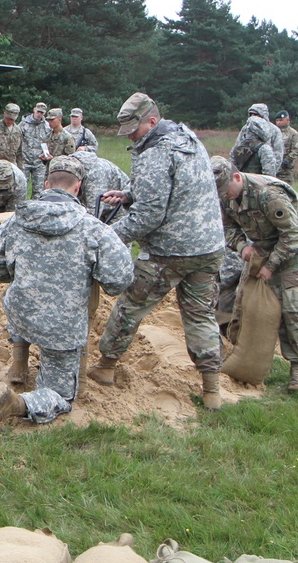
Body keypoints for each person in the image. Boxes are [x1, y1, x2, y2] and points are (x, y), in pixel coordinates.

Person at [0, 156, 133, 435]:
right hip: (62, 329)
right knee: (61, 395)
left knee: (24, 291)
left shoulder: (17, 220)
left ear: (46, 184)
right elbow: (119, 279)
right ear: (78, 187)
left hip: (21, 315)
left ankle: (18, 364)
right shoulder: (93, 229)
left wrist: (23, 273)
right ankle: (15, 403)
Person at [88, 92, 226, 410]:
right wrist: (128, 194)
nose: (131, 136)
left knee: (130, 306)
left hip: (169, 251)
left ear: (152, 121)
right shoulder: (188, 140)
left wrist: (108, 237)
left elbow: (149, 217)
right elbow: (172, 187)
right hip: (208, 247)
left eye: (134, 130)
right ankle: (212, 390)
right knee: (201, 315)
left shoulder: (155, 151)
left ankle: (106, 367)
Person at [211, 156, 298, 392]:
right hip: (264, 245)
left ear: (237, 177)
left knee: (293, 307)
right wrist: (243, 247)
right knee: (245, 301)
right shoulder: (225, 196)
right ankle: (239, 354)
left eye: (225, 189)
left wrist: (271, 266)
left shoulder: (269, 194)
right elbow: (227, 228)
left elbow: (293, 235)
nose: (223, 196)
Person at [72, 148, 130, 221]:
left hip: (119, 209)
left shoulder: (95, 173)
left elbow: (94, 213)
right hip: (98, 208)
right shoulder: (65, 168)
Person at [230, 103, 283, 177]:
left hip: (265, 169)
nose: (253, 117)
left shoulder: (274, 131)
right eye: (251, 114)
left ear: (263, 115)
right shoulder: (245, 129)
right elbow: (237, 149)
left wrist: (272, 173)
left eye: (256, 114)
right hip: (245, 172)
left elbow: (278, 155)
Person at [35, 108, 76, 198]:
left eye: (52, 120)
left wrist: (53, 159)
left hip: (61, 176)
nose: (50, 122)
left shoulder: (67, 137)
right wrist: (43, 158)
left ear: (59, 119)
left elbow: (70, 160)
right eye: (48, 120)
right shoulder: (48, 136)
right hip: (49, 173)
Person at [19, 101, 51, 199]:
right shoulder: (23, 124)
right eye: (38, 112)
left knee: (39, 190)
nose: (39, 114)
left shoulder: (47, 126)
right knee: (22, 188)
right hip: (25, 160)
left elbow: (49, 142)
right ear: (34, 110)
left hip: (39, 163)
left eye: (42, 113)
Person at [0, 103, 23, 168]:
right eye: (7, 118)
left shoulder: (18, 130)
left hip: (12, 165)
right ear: (4, 114)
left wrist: (20, 169)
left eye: (12, 119)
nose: (9, 121)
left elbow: (19, 152)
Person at [274, 110, 298, 184]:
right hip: (273, 168)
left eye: (281, 120)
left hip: (285, 171)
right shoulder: (273, 132)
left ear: (287, 120)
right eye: (277, 120)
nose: (278, 122)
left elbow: (297, 150)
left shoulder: (293, 134)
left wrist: (287, 160)